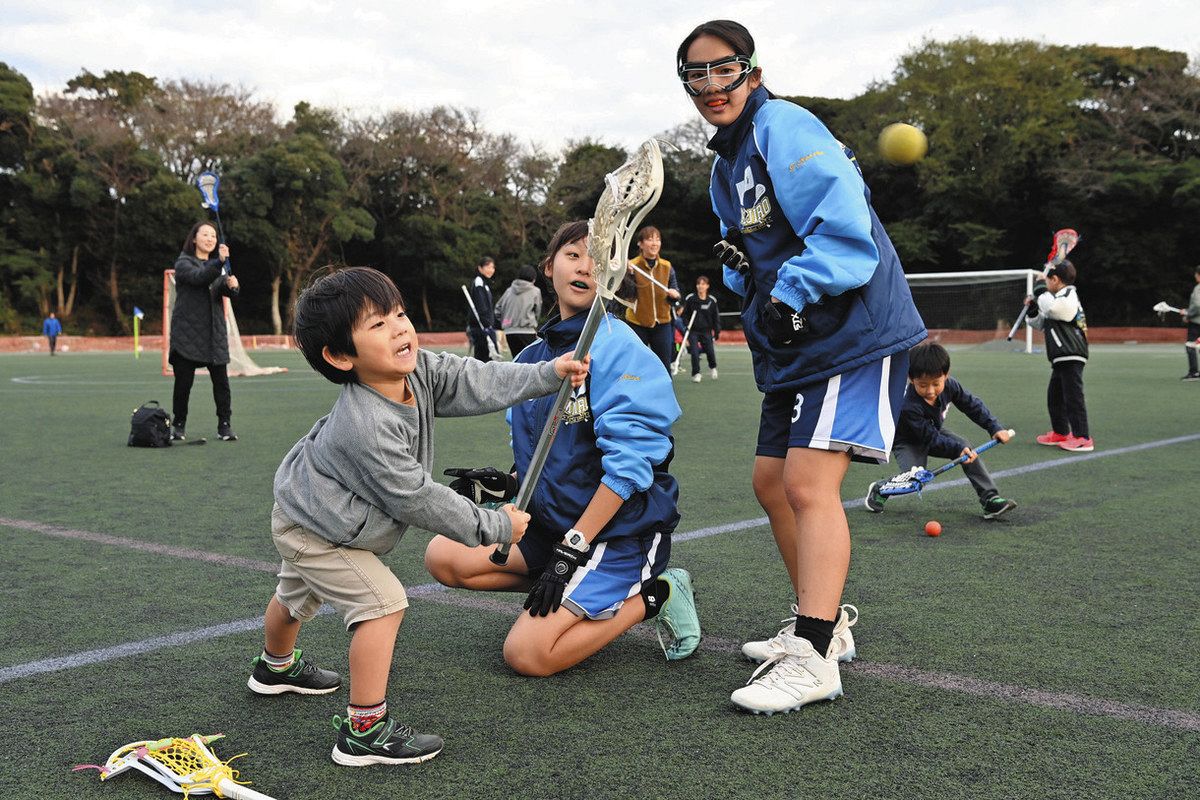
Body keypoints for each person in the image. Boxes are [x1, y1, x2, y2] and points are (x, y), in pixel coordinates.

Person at [678, 20, 926, 714]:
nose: (709, 86)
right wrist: (742, 282)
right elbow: (749, 256)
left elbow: (845, 230)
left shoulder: (782, 125)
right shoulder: (725, 169)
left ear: (751, 72)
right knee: (770, 482)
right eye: (694, 75)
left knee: (810, 483)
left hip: (851, 333)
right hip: (796, 346)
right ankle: (827, 622)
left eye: (722, 69)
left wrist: (788, 292)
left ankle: (813, 655)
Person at [249, 266, 588, 767]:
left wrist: (545, 374)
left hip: (312, 512)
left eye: (399, 314)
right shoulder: (366, 427)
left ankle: (275, 668)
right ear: (341, 356)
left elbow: (475, 378)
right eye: (378, 325)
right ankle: (364, 730)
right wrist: (494, 525)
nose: (400, 328)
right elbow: (416, 497)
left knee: (296, 593)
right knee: (383, 605)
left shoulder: (418, 371)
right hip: (316, 529)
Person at [424, 220, 701, 677]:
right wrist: (509, 480)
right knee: (444, 555)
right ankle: (575, 585)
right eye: (574, 254)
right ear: (549, 266)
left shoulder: (620, 347)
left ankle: (657, 593)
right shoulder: (532, 357)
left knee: (527, 655)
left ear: (613, 275)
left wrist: (573, 547)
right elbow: (544, 447)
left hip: (615, 533)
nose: (586, 266)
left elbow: (631, 469)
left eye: (600, 258)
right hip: (554, 525)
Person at [865, 342, 1017, 518]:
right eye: (923, 385)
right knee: (916, 478)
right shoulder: (909, 405)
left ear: (946, 375)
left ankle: (990, 499)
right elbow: (930, 439)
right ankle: (881, 489)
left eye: (936, 383)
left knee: (965, 446)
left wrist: (994, 427)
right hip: (908, 440)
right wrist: (957, 450)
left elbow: (972, 406)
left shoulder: (951, 386)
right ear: (910, 378)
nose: (930, 391)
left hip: (933, 432)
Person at [169, 221, 239, 442]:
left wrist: (232, 285)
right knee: (183, 384)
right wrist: (219, 262)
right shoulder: (183, 263)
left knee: (222, 384)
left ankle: (224, 426)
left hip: (213, 333)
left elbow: (223, 290)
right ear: (194, 239)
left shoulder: (215, 267)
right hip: (187, 335)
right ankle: (178, 426)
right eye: (205, 235)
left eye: (213, 235)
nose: (210, 239)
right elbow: (200, 278)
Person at [1026, 260, 1093, 452]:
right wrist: (1032, 307)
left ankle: (1082, 437)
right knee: (1054, 397)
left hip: (1071, 353)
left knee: (1073, 397)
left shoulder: (1069, 294)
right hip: (1060, 356)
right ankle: (1061, 432)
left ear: (1055, 280)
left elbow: (1056, 310)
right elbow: (1039, 323)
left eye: (1047, 281)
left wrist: (1039, 291)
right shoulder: (1054, 299)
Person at [624, 226, 682, 370]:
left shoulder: (667, 266)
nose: (654, 243)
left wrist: (674, 295)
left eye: (657, 239)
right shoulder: (632, 265)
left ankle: (664, 393)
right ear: (640, 243)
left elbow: (675, 294)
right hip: (637, 323)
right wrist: (628, 275)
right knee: (636, 367)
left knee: (663, 367)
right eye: (650, 239)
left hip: (662, 324)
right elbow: (627, 295)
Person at [495, 264, 542, 358]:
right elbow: (537, 311)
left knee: (517, 361)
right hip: (527, 331)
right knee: (532, 360)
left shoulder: (509, 291)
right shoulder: (535, 291)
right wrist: (533, 321)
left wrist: (505, 321)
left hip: (509, 332)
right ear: (533, 278)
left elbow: (497, 309)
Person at [681, 275, 721, 383]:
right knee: (694, 352)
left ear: (707, 286)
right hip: (693, 330)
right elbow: (684, 315)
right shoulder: (691, 299)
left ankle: (712, 367)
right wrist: (686, 326)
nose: (700, 286)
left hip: (706, 331)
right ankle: (696, 373)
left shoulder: (711, 301)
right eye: (698, 284)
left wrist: (717, 331)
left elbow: (715, 317)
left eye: (703, 284)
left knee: (710, 352)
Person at [466, 256, 498, 361]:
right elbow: (481, 306)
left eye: (492, 267)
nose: (491, 270)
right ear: (480, 268)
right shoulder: (479, 282)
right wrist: (487, 324)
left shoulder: (484, 283)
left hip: (485, 326)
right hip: (481, 327)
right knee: (483, 360)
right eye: (487, 267)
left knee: (487, 360)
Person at [1176, 266, 1200, 381]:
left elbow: (1198, 305)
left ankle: (1194, 372)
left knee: (1190, 345)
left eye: (1196, 274)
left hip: (1197, 323)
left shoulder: (1198, 288)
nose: (1195, 276)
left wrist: (1188, 314)